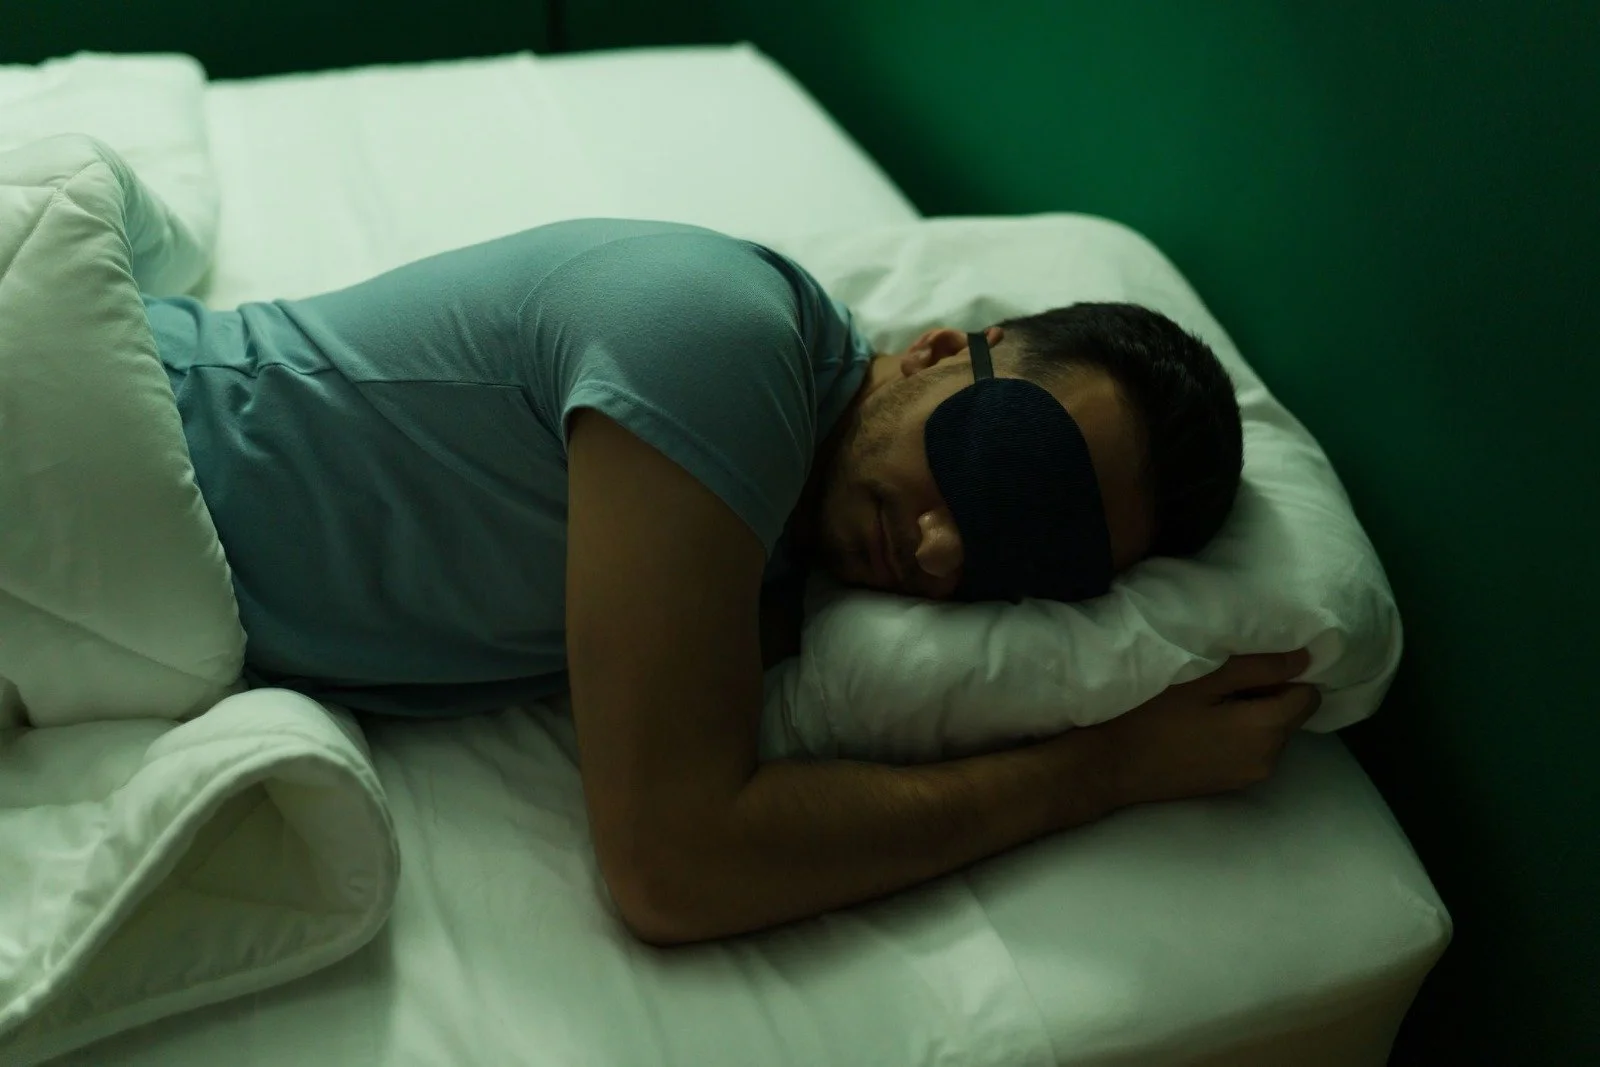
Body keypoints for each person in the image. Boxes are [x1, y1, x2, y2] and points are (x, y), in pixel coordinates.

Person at [145, 218, 1320, 945]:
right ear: (932, 348)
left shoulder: (773, 549)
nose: (949, 550)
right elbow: (674, 864)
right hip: (112, 447)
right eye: (996, 466)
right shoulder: (720, 346)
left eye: (1027, 557)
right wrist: (1107, 766)